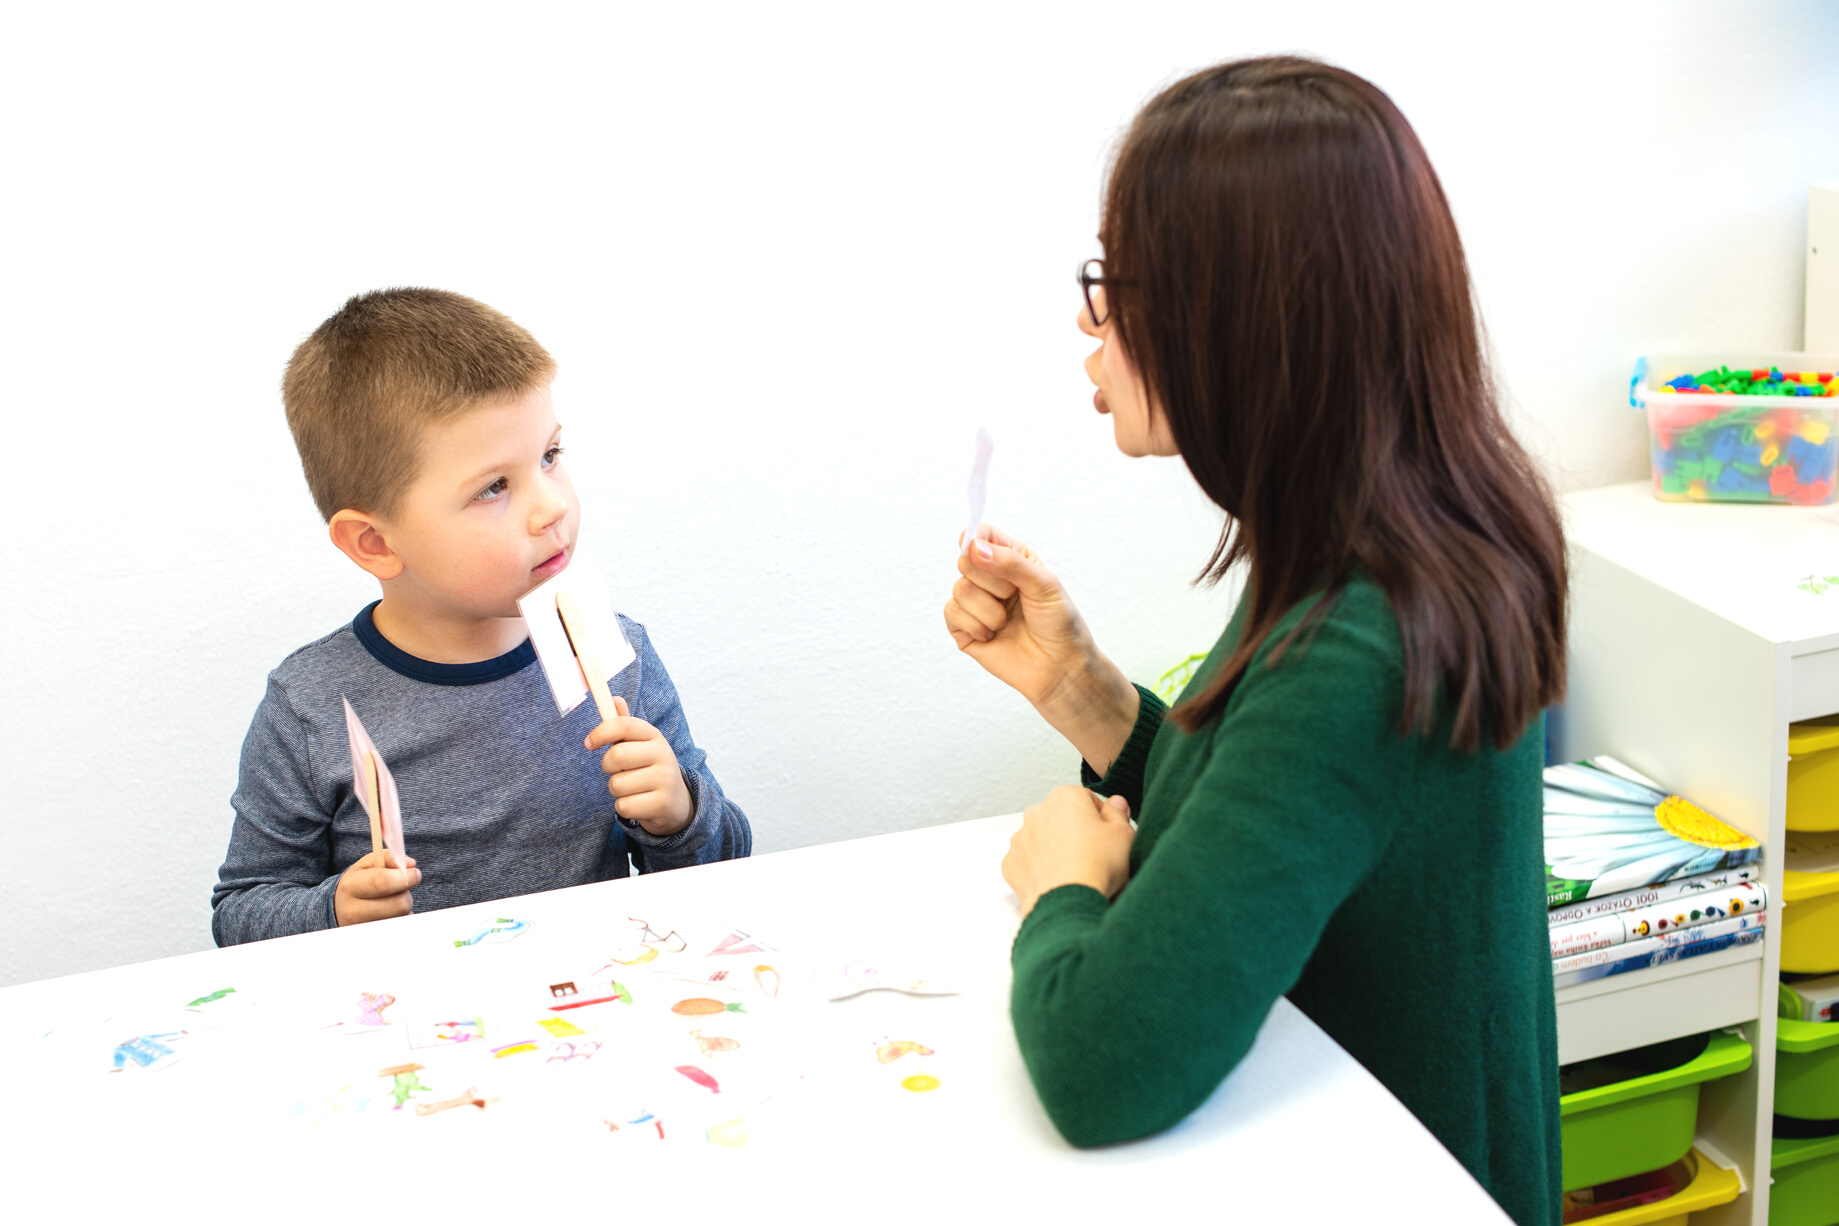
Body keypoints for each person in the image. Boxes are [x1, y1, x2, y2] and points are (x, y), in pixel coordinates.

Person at [943, 58, 1563, 1226]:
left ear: (1237, 313)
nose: (1091, 317)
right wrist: (1086, 694)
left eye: (1115, 281)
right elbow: (1275, 817)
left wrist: (1064, 891)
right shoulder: (1379, 538)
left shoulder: (1360, 635)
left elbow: (1102, 1064)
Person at [212, 288, 750, 944]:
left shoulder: (617, 653)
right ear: (375, 544)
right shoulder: (310, 706)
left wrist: (679, 814)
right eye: (494, 487)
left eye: (550, 456)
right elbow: (240, 913)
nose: (550, 506)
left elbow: (723, 871)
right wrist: (332, 912)